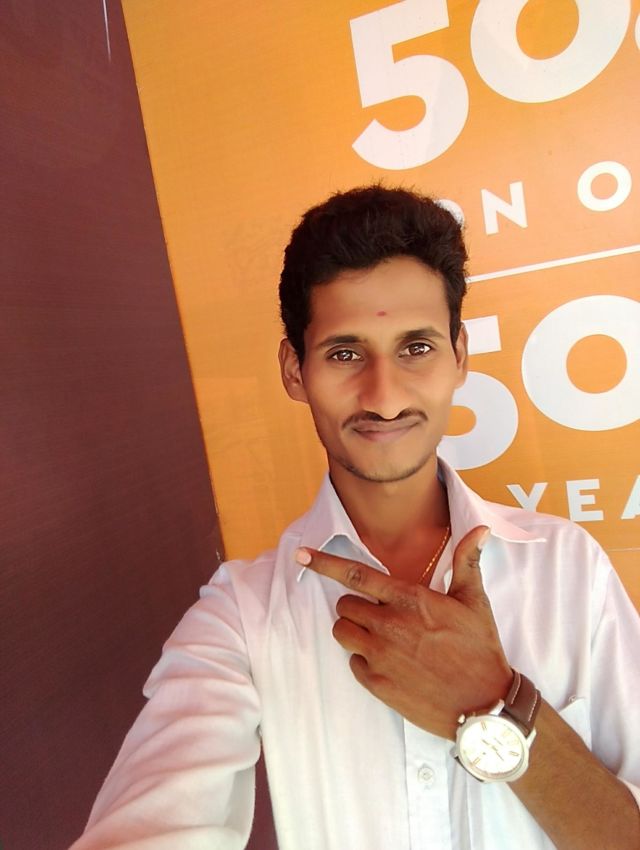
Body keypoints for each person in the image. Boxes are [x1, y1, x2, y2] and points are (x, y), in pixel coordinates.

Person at [71, 186, 640, 850]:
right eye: (345, 353)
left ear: (459, 355)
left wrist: (493, 700)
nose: (385, 396)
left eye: (416, 348)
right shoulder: (243, 616)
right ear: (294, 370)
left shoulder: (567, 566)